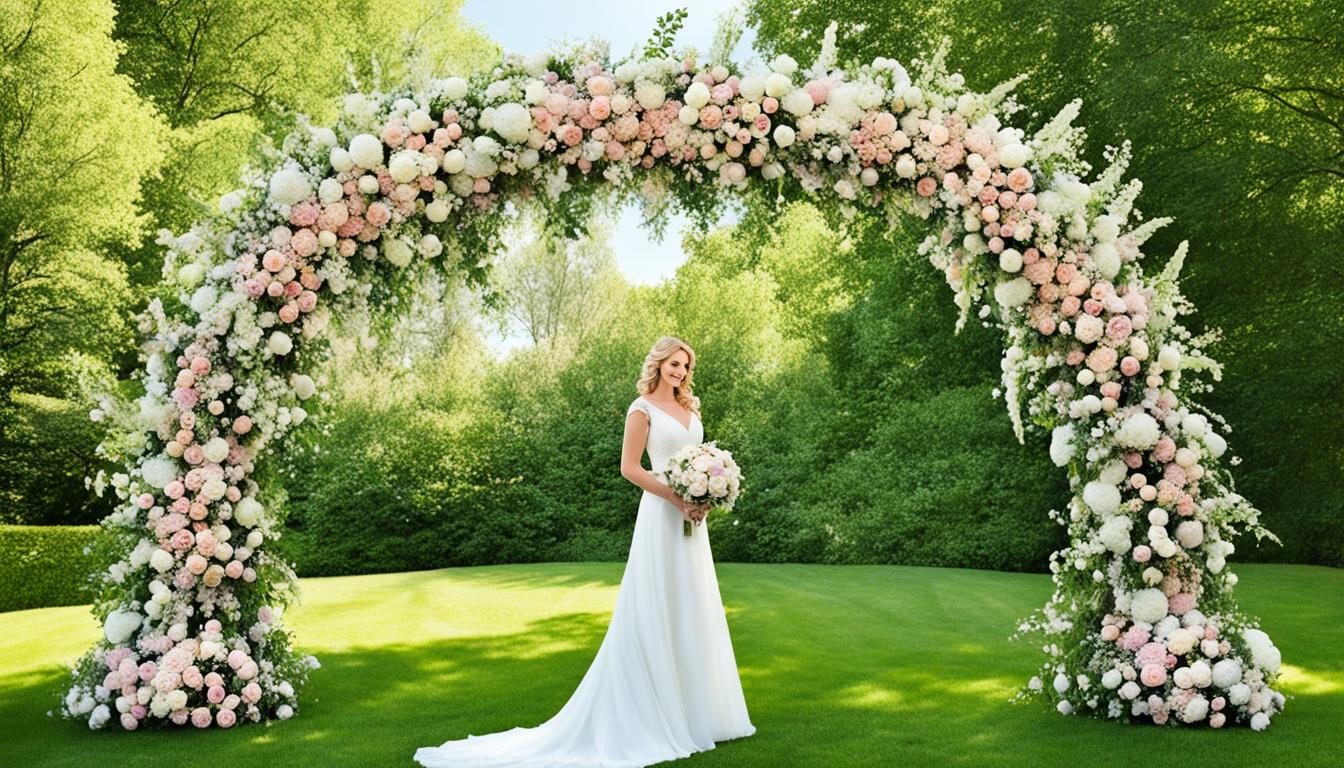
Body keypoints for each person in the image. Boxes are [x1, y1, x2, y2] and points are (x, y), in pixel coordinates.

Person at [414, 335, 755, 767]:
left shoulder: (690, 408)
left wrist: (703, 495)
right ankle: (655, 714)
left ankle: (699, 716)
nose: (681, 372)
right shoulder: (641, 410)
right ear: (658, 363)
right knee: (657, 606)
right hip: (661, 514)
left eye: (686, 366)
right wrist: (675, 497)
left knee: (692, 606)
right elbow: (629, 468)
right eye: (674, 364)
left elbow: (695, 458)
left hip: (691, 519)